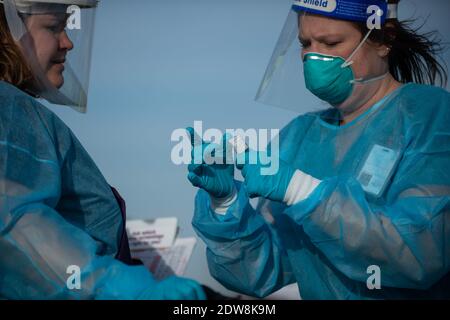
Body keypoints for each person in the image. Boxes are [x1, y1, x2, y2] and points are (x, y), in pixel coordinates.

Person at [187, 0, 450, 299]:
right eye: (305, 43)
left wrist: (299, 190)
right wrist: (226, 204)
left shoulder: (430, 115)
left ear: (384, 40)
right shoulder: (300, 137)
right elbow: (261, 272)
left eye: (331, 42)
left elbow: (422, 254)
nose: (313, 56)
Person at [0, 0, 206, 299]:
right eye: (53, 27)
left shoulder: (21, 114)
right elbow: (12, 223)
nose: (68, 42)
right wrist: (121, 289)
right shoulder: (10, 111)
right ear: (7, 32)